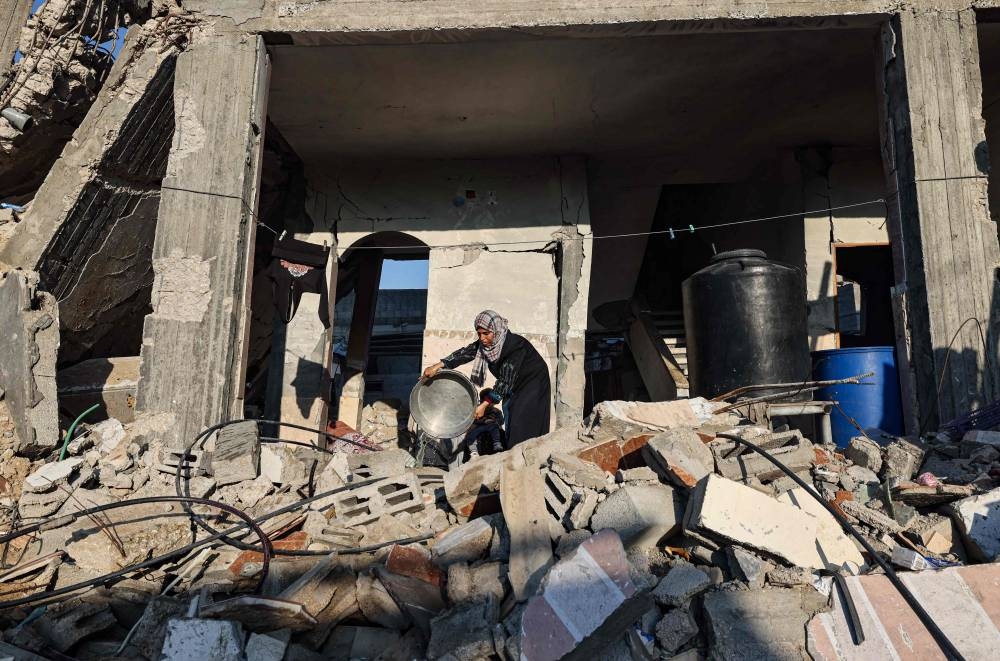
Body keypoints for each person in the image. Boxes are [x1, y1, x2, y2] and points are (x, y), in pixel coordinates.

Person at [423, 310, 551, 448]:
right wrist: (437, 366)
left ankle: (528, 456)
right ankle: (515, 453)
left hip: (533, 383)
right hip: (514, 387)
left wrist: (484, 405)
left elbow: (504, 381)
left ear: (496, 331)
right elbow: (465, 353)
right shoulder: (485, 346)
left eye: (486, 333)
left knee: (522, 420)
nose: (482, 338)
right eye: (479, 334)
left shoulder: (514, 347)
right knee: (511, 414)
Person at [463, 390, 505, 459]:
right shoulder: (476, 410)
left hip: (492, 432)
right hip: (478, 433)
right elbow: (471, 423)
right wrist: (482, 422)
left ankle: (497, 446)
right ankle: (474, 453)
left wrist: (493, 421)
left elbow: (501, 422)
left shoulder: (496, 411)